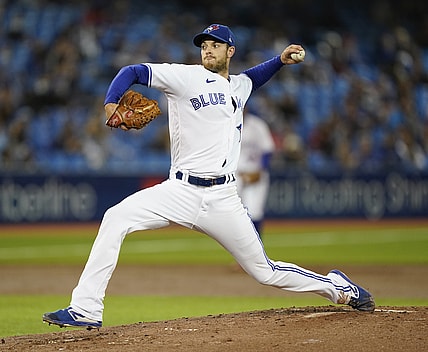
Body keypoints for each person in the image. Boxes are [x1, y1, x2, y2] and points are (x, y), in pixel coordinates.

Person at [43, 24, 375, 329]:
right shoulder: (183, 77)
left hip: (223, 199)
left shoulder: (240, 86)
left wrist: (280, 60)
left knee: (263, 271)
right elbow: (132, 71)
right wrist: (111, 103)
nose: (208, 50)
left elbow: (253, 78)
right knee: (115, 217)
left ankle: (338, 288)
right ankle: (86, 308)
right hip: (179, 191)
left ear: (230, 51)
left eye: (216, 45)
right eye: (204, 45)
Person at [236, 111, 275, 237]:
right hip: (234, 175)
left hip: (255, 174)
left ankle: (255, 249)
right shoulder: (227, 122)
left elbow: (268, 150)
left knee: (254, 212)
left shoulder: (257, 125)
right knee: (232, 214)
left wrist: (260, 170)